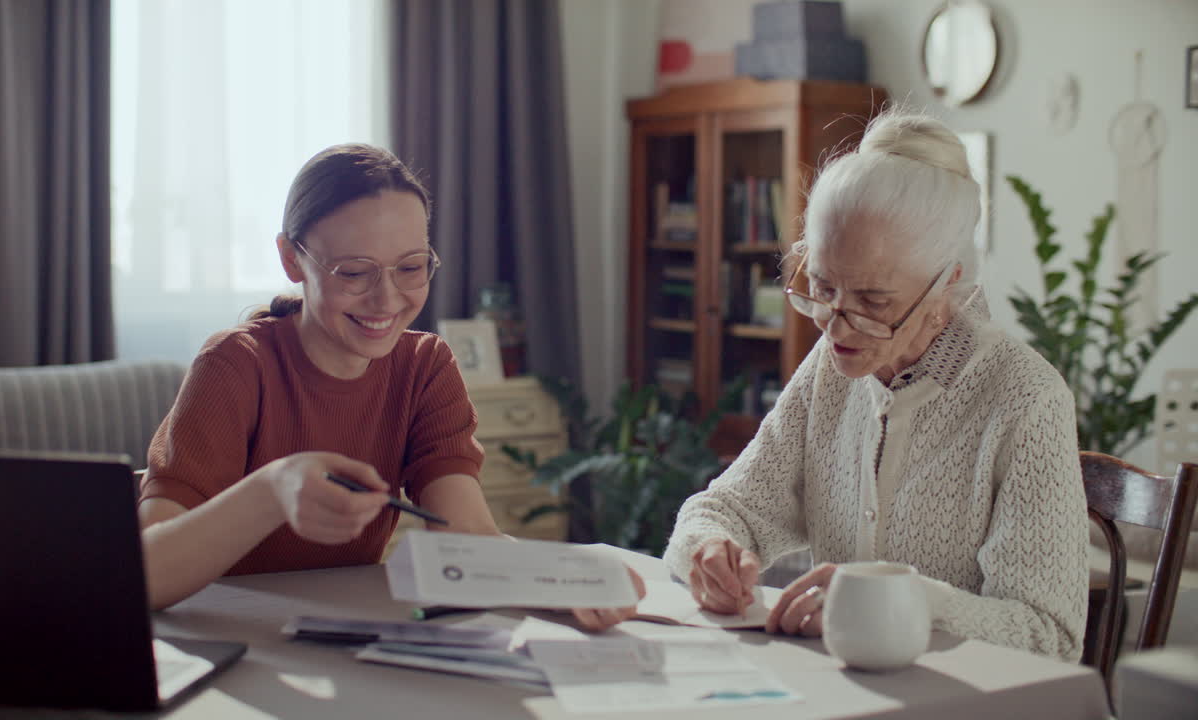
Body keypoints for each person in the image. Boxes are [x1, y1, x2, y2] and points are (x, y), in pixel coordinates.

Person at [138, 144, 641, 630]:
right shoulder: (234, 364)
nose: (386, 300)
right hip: (223, 639)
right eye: (354, 272)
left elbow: (467, 536)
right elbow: (144, 576)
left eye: (411, 268)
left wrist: (566, 583)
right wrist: (273, 490)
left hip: (338, 636)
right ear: (291, 259)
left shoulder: (425, 367)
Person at [662, 111, 1089, 660]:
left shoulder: (1026, 399)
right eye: (821, 286)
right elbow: (727, 509)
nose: (837, 326)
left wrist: (907, 600)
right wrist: (710, 550)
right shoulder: (831, 371)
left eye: (873, 302)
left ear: (946, 283)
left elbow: (1048, 638)